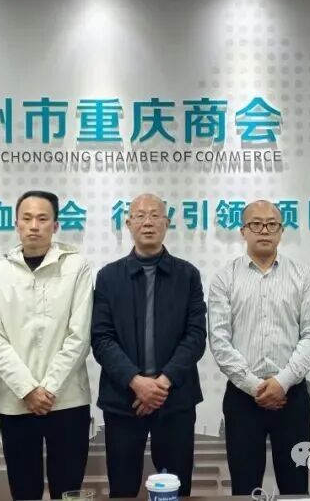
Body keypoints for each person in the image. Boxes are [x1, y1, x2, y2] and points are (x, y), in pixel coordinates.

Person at [91, 193, 207, 498]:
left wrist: (161, 384)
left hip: (175, 400)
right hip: (123, 400)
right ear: (128, 223)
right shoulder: (108, 277)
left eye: (155, 215)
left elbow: (196, 336)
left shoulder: (188, 275)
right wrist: (136, 382)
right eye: (140, 216)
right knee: (123, 489)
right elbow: (101, 338)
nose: (147, 222)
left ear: (167, 223)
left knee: (177, 487)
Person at [0, 190, 93, 500]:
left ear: (55, 226)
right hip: (17, 402)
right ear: (16, 224)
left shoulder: (77, 266)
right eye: (27, 218)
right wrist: (29, 389)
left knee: (68, 490)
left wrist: (50, 388)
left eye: (43, 219)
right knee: (24, 490)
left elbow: (80, 334)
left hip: (68, 400)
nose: (34, 226)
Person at [208, 200, 310, 495]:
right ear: (243, 231)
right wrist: (255, 386)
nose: (264, 230)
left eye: (272, 224)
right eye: (256, 224)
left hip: (292, 398)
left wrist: (282, 383)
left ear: (281, 231)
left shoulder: (301, 276)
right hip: (242, 399)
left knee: (296, 488)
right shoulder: (225, 278)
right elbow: (219, 340)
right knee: (245, 489)